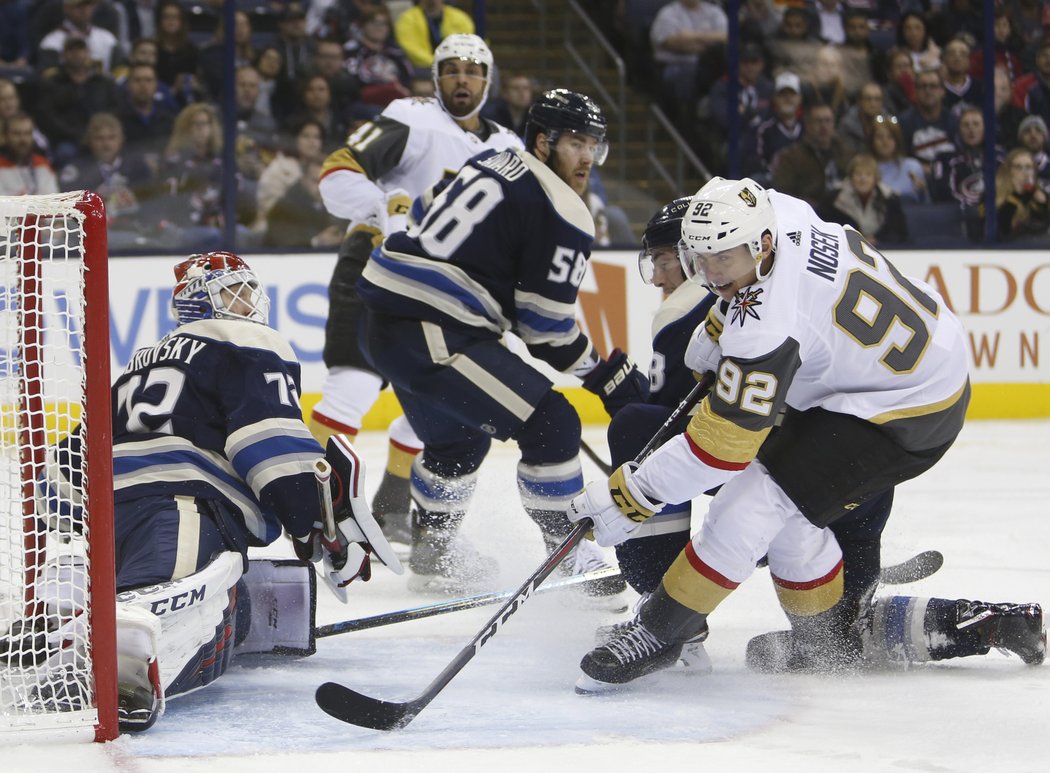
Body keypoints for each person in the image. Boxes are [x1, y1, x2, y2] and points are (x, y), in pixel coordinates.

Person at [566, 177, 1042, 691]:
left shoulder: (767, 325)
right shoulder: (777, 210)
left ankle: (660, 634)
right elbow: (760, 285)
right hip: (905, 367)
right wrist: (719, 323)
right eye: (699, 257)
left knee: (749, 505)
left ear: (760, 245)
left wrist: (633, 494)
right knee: (793, 534)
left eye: (722, 258)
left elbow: (720, 450)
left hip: (900, 411)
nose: (707, 272)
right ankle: (837, 642)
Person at [13, 252, 401, 732]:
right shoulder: (247, 339)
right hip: (180, 509)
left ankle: (65, 601)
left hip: (109, 519)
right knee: (183, 613)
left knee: (202, 602)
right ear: (198, 303)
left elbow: (70, 461)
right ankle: (112, 673)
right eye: (230, 292)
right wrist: (315, 525)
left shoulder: (140, 363)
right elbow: (268, 439)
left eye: (246, 291)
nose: (245, 302)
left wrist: (67, 512)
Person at [357, 89, 645, 596]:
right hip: (433, 327)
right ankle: (567, 554)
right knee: (553, 422)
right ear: (542, 140)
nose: (585, 158)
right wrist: (609, 377)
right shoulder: (563, 208)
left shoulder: (490, 160)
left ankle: (433, 548)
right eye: (575, 143)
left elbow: (426, 209)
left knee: (459, 439)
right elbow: (547, 331)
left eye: (593, 146)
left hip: (385, 319)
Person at [313, 34, 522, 546]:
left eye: (473, 70)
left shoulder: (509, 148)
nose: (462, 78)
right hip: (376, 267)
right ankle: (312, 510)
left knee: (438, 398)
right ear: (436, 78)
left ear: (487, 81)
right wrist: (388, 207)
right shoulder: (413, 117)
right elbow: (336, 175)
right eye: (451, 69)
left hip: (447, 289)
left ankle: (392, 499)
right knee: (353, 390)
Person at [820, 152, 908, 245]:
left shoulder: (890, 200)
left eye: (868, 174)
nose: (863, 179)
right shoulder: (832, 200)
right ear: (851, 177)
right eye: (858, 174)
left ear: (876, 179)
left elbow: (900, 235)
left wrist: (879, 240)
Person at [393, 0, 475, 73]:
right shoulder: (407, 19)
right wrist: (437, 62)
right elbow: (410, 49)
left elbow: (465, 45)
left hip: (455, 66)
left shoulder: (460, 19)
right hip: (421, 68)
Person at [0, 112, 59, 195]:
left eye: (27, 133)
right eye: (16, 134)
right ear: (5, 136)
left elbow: (53, 200)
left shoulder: (43, 164)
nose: (23, 139)